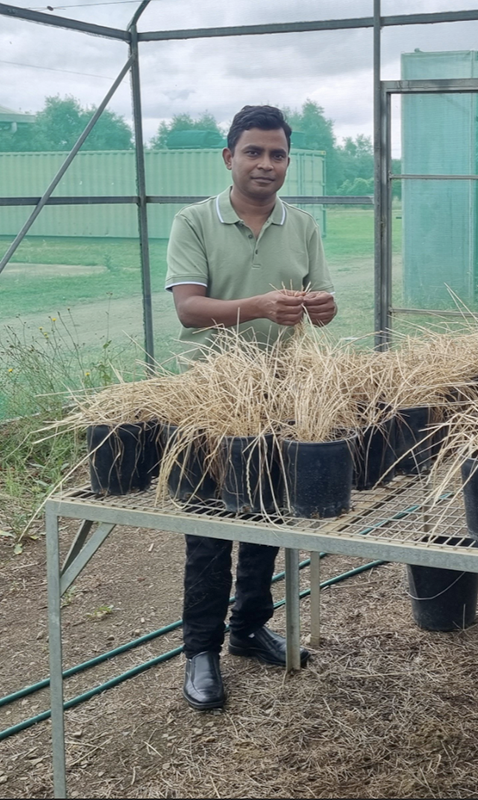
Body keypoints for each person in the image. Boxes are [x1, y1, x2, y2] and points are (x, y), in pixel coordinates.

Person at [164, 104, 337, 711]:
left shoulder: (303, 224)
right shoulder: (194, 222)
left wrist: (320, 306)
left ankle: (248, 628)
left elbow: (324, 299)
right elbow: (188, 309)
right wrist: (260, 305)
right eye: (254, 152)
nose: (266, 164)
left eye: (277, 154)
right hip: (210, 396)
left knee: (265, 514)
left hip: (283, 392)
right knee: (210, 524)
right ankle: (201, 650)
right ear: (229, 156)